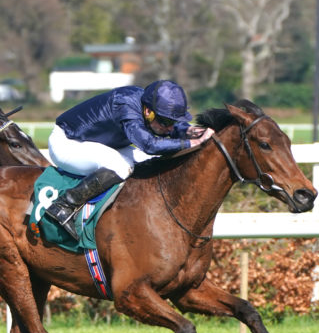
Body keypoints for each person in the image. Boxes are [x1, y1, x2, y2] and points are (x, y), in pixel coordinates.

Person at [44, 79, 214, 240]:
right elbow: (149, 144)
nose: (170, 128)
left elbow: (162, 134)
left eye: (174, 122)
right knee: (120, 166)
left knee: (147, 160)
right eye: (166, 122)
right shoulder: (125, 106)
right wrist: (192, 142)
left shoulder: (148, 105)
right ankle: (65, 205)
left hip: (102, 143)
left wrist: (187, 131)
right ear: (148, 112)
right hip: (67, 143)